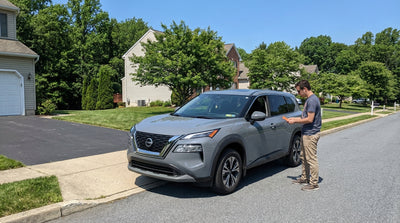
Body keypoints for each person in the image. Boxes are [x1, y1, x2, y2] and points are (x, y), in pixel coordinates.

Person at [286, 80, 321, 191]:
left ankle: (314, 183)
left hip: (311, 134)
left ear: (304, 89)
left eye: (298, 91)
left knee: (311, 159)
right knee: (304, 157)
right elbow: (305, 118)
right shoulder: (309, 100)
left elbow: (310, 119)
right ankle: (305, 178)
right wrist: (294, 119)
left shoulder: (312, 101)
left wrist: (295, 121)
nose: (298, 93)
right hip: (306, 133)